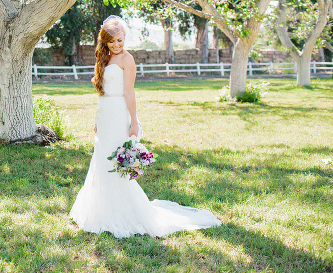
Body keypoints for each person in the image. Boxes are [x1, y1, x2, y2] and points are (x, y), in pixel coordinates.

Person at [69, 15, 221, 238]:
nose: (117, 45)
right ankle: (101, 210)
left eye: (119, 40)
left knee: (114, 160)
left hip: (120, 114)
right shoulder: (105, 58)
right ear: (105, 42)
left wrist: (134, 122)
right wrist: (97, 120)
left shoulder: (127, 59)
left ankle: (126, 212)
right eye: (112, 41)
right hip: (105, 114)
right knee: (101, 159)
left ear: (124, 38)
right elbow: (103, 93)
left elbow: (129, 92)